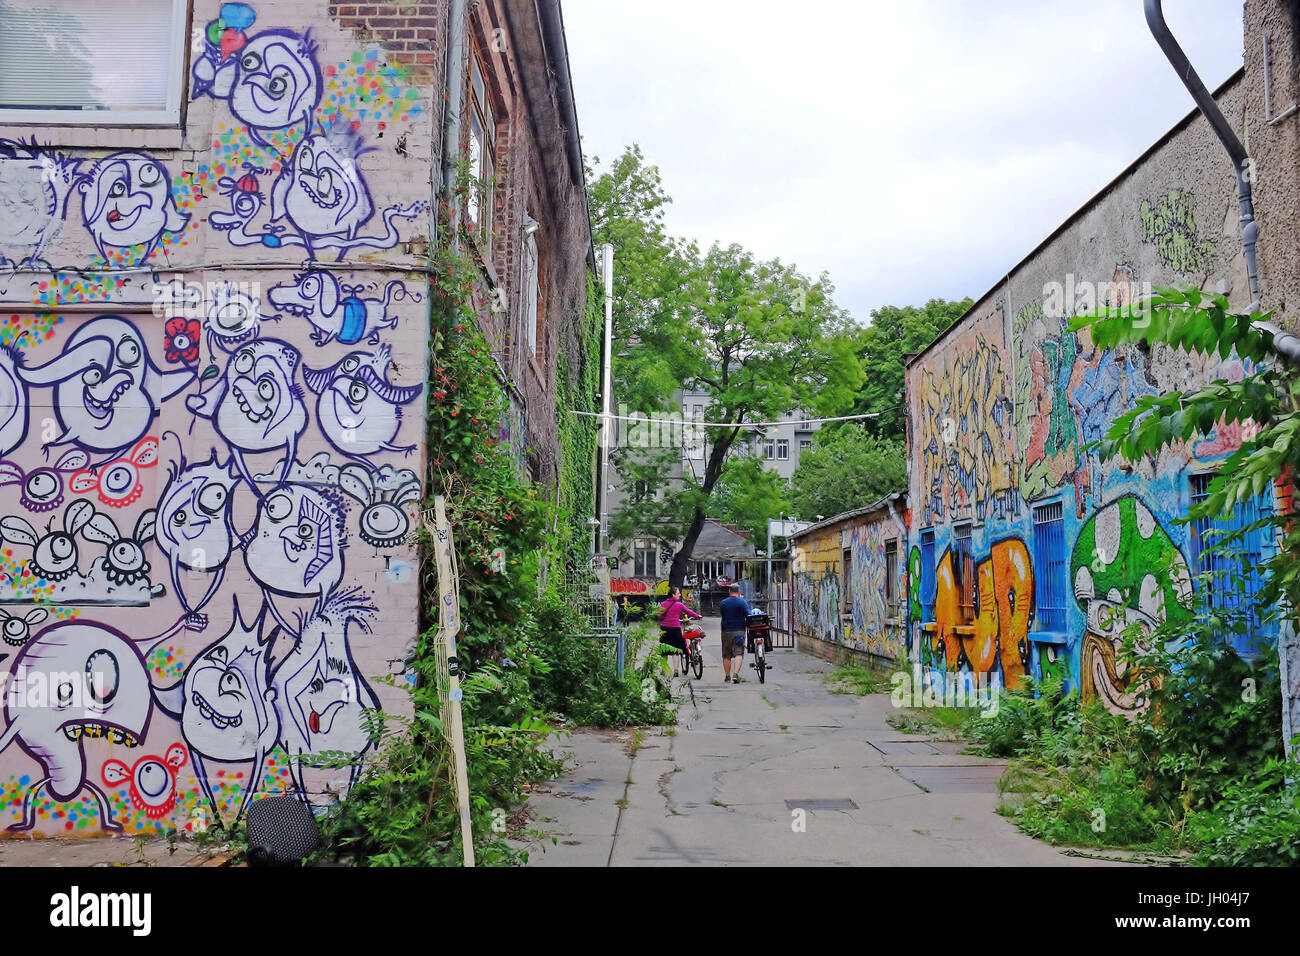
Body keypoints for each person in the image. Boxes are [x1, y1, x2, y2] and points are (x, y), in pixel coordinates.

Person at [658, 587, 701, 678]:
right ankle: (676, 670)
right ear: (673, 595)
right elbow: (689, 611)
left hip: (665, 628)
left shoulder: (663, 604)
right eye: (678, 593)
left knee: (664, 651)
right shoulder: (679, 604)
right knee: (676, 650)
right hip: (675, 629)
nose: (680, 594)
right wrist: (697, 616)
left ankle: (664, 670)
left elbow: (659, 617)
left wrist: (666, 617)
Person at [718, 583, 751, 684]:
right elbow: (748, 614)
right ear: (739, 592)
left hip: (726, 631)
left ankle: (727, 676)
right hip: (739, 631)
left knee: (726, 655)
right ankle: (735, 674)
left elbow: (722, 615)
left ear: (729, 592)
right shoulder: (742, 602)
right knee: (738, 653)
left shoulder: (723, 603)